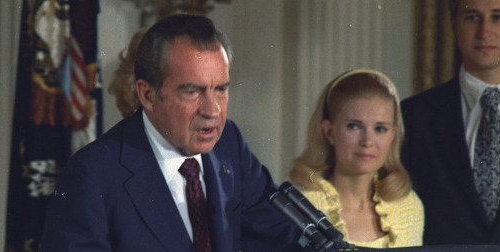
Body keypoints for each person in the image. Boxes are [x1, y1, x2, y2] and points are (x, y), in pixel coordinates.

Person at [40, 14, 300, 251]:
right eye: (192, 91)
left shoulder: (228, 143)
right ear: (148, 95)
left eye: (221, 89)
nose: (213, 111)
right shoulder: (93, 174)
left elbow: (283, 234)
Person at [401, 0, 500, 245]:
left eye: (497, 17)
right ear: (453, 23)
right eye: (472, 17)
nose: (484, 31)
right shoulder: (413, 116)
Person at [289, 69, 424, 248]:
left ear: (393, 134)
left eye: (380, 129)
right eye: (354, 126)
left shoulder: (408, 207)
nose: (367, 141)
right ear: (329, 132)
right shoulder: (301, 209)